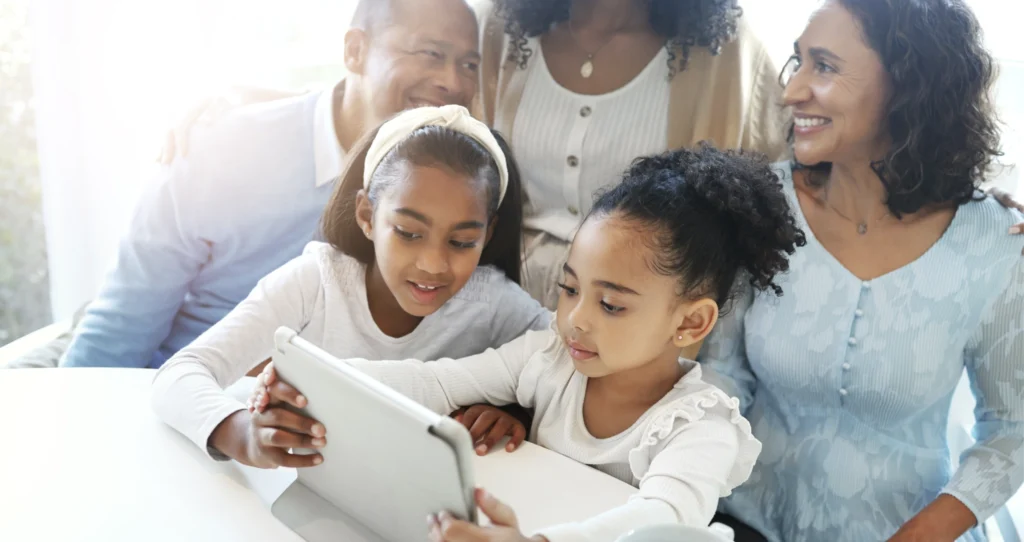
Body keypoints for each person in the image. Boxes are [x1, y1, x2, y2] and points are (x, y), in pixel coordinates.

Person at [249, 144, 806, 541]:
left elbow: (664, 518)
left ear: (689, 324)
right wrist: (312, 381)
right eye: (568, 288)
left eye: (611, 304)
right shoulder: (550, 357)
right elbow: (434, 381)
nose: (576, 319)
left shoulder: (703, 429)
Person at [149, 0, 790, 311]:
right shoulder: (505, 27)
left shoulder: (724, 52)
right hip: (483, 306)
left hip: (631, 324)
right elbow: (419, 105)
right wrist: (246, 99)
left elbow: (770, 182)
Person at [698, 1, 1024, 540]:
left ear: (908, 83)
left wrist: (920, 534)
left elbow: (1012, 430)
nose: (791, 91)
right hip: (742, 524)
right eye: (797, 62)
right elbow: (722, 376)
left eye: (823, 66)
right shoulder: (761, 206)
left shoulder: (997, 242)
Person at [53, 0, 482, 369]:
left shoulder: (459, 188)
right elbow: (119, 329)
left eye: (469, 64)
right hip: (180, 397)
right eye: (430, 53)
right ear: (355, 51)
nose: (454, 82)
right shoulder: (220, 148)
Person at [152, 105, 553, 466]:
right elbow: (181, 372)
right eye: (408, 233)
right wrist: (240, 433)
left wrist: (517, 410)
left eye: (462, 242)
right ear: (366, 215)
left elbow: (568, 357)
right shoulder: (314, 282)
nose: (433, 265)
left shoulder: (491, 300)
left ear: (488, 234)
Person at [474, 0, 789, 308]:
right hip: (499, 303)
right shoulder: (501, 25)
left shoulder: (724, 48)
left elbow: (773, 194)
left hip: (643, 325)